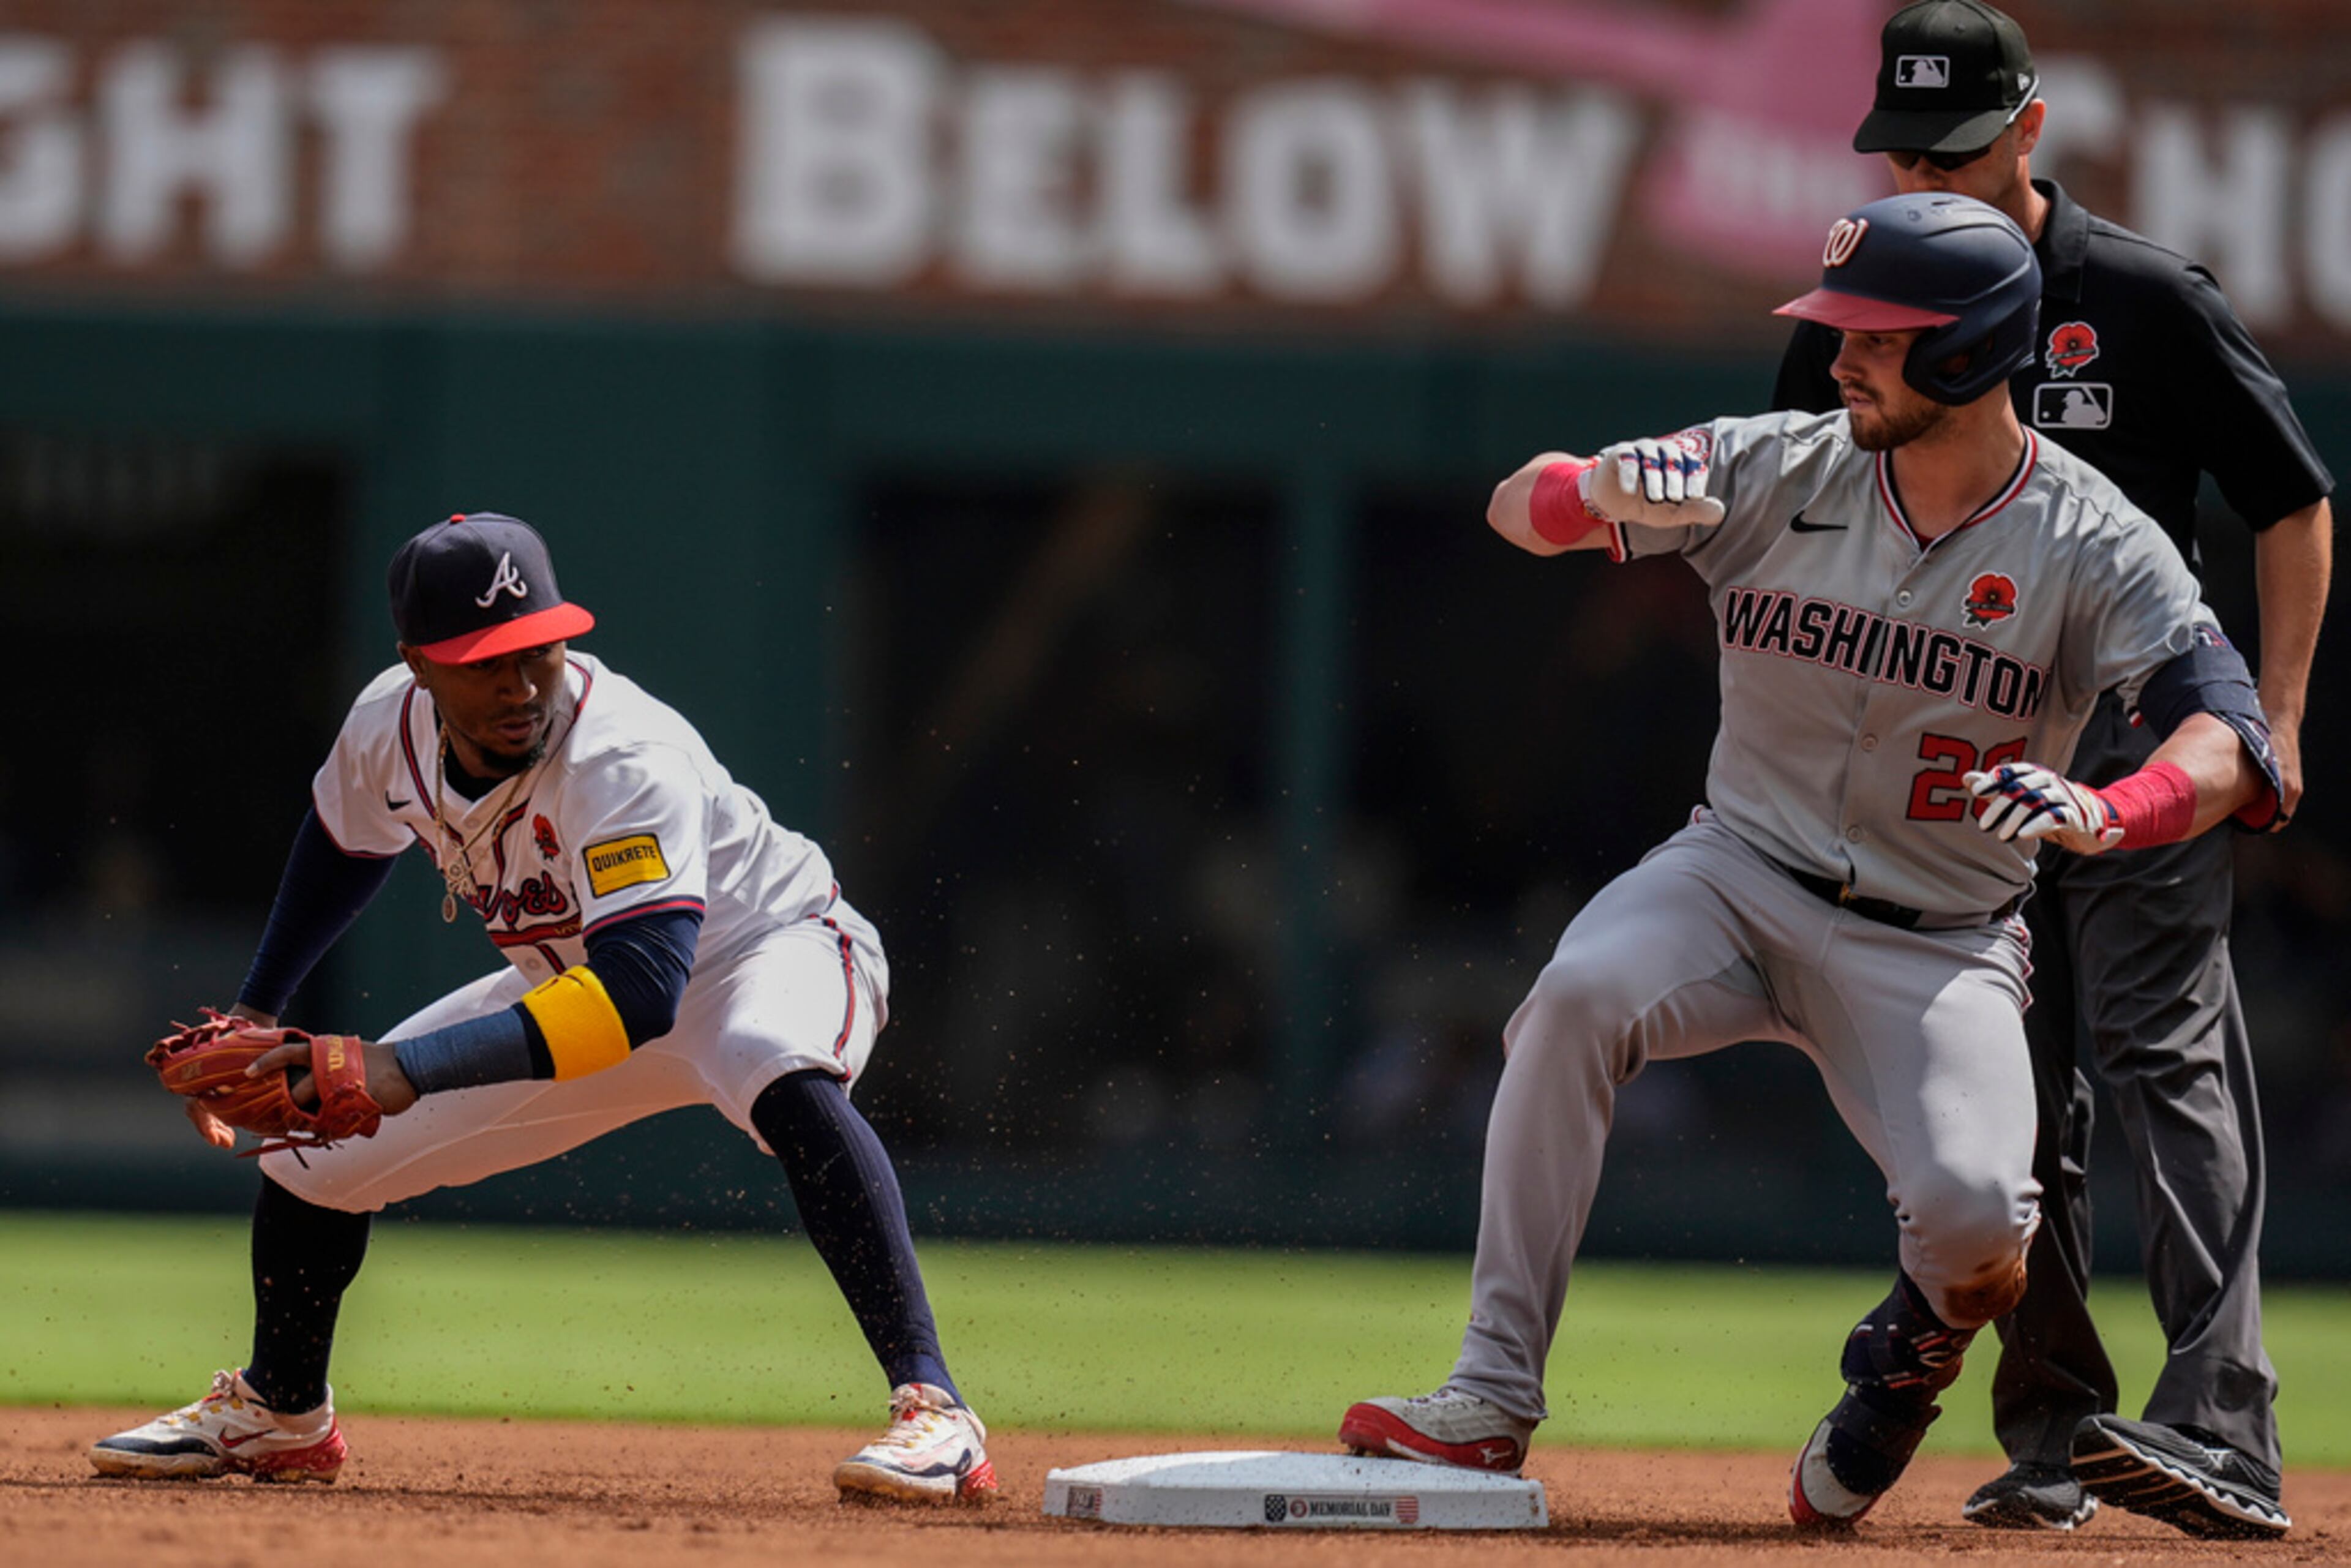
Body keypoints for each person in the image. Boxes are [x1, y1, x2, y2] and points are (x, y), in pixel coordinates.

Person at [1337, 190, 2283, 1532]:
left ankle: (1911, 1354)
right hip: (1732, 874)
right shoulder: (1778, 461)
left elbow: (2231, 741)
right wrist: (1589, 488)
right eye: (1836, 329)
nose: (1840, 356)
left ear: (1966, 351)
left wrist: (2112, 811)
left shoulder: (2092, 538)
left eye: (1875, 335)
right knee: (1573, 998)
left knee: (1974, 1230)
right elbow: (1517, 505)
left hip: (1940, 937)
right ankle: (1489, 1394)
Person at [89, 512, 996, 1506]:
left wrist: (404, 1069)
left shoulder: (622, 756)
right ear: (419, 665)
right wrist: (258, 1007)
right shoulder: (387, 722)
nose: (521, 683)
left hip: (767, 948)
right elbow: (343, 842)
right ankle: (281, 1413)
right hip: (582, 983)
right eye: (484, 661)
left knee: (772, 1056)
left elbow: (647, 989)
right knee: (316, 1154)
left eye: (537, 646)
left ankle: (937, 1411)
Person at [1774, 0, 2331, 1537]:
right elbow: (1790, 509)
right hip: (1974, 766)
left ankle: (2223, 1426)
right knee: (2027, 1102)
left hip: (2148, 745)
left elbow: (2291, 497)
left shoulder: (2140, 295)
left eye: (1956, 151)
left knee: (2163, 1057)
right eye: (1904, 152)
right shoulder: (1868, 306)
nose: (1926, 178)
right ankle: (2056, 1436)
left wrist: (2272, 723)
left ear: (2031, 127)